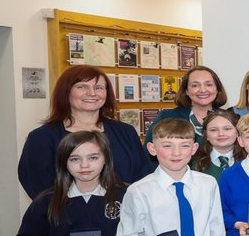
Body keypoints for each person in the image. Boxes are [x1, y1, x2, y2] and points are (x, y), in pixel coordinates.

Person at [19, 65, 150, 200]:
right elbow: (38, 187)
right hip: (66, 218)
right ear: (66, 92)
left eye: (98, 87)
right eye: (82, 87)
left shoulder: (126, 132)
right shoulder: (42, 138)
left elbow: (142, 178)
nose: (92, 93)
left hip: (124, 216)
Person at [144, 65, 227, 147]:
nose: (203, 90)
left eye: (208, 85)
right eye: (195, 85)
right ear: (186, 91)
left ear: (217, 89)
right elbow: (148, 155)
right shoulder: (166, 117)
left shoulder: (229, 117)